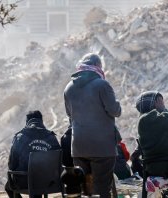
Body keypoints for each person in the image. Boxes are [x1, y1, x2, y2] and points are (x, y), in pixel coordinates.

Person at [64, 53, 122, 197]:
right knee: (101, 189)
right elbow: (115, 111)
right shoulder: (102, 84)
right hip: (102, 148)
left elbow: (70, 115)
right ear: (98, 66)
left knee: (86, 190)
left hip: (78, 148)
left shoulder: (69, 88)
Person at [5, 110, 61, 198]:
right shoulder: (51, 137)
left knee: (8, 186)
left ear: (27, 122)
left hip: (25, 181)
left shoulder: (20, 137)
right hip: (49, 182)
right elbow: (59, 162)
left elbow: (12, 164)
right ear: (41, 121)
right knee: (38, 182)